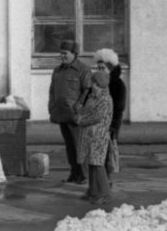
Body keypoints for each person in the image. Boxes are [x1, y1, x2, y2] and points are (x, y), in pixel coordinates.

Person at [47, 39, 92, 185]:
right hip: (62, 114)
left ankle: (84, 176)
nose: (62, 56)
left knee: (79, 146)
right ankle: (74, 174)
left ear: (74, 53)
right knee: (70, 147)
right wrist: (51, 107)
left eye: (65, 53)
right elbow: (52, 91)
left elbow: (87, 91)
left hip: (77, 116)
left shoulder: (83, 70)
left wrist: (79, 108)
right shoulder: (57, 71)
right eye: (60, 53)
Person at [72, 70, 114, 205]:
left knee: (98, 165)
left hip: (99, 136)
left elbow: (97, 117)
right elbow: (82, 110)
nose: (92, 86)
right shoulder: (92, 97)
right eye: (92, 83)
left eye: (95, 83)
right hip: (90, 136)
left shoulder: (105, 99)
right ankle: (93, 191)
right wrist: (82, 99)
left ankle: (104, 193)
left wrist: (81, 121)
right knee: (91, 164)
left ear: (101, 84)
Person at [95, 47, 127, 181]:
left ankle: (106, 180)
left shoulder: (117, 84)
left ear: (110, 68)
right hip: (96, 123)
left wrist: (112, 126)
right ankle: (100, 180)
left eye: (103, 68)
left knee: (108, 152)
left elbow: (119, 108)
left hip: (110, 124)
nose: (100, 70)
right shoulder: (97, 82)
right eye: (99, 67)